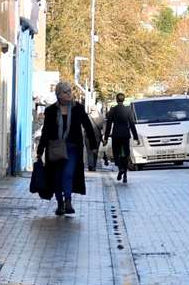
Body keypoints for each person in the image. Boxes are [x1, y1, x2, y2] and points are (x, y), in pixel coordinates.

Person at [39, 81, 98, 217]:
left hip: (73, 147)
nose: (69, 94)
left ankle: (68, 200)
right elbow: (46, 131)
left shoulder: (78, 108)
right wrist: (40, 150)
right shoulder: (51, 111)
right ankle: (60, 203)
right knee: (57, 175)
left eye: (70, 91)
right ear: (59, 95)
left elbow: (88, 126)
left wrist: (93, 146)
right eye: (66, 92)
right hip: (55, 147)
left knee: (68, 173)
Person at [104, 93, 136, 183]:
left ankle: (120, 168)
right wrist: (136, 137)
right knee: (126, 154)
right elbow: (132, 124)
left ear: (116, 100)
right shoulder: (128, 110)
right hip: (125, 134)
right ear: (124, 99)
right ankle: (125, 174)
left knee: (116, 153)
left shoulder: (113, 110)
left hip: (116, 134)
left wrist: (106, 137)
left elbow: (109, 125)